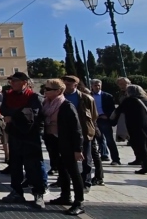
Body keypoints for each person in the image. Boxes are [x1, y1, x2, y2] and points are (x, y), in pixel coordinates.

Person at [0, 72, 46, 209]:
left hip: (30, 136)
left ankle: (38, 193)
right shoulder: (8, 95)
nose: (12, 83)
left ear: (24, 82)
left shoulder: (33, 96)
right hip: (14, 135)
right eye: (11, 81)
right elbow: (4, 110)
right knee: (15, 165)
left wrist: (13, 116)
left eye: (15, 81)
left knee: (34, 166)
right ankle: (16, 192)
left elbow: (32, 113)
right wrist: (16, 113)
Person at [43, 79, 86, 216]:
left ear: (58, 91)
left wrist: (78, 149)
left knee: (73, 172)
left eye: (49, 89)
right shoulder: (46, 104)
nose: (45, 91)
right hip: (53, 141)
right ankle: (65, 196)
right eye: (45, 88)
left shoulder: (66, 105)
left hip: (67, 143)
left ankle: (79, 201)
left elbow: (76, 129)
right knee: (62, 170)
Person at [110, 85, 147, 175]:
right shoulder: (145, 101)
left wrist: (111, 121)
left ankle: (146, 167)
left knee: (141, 147)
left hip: (136, 126)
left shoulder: (129, 101)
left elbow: (118, 111)